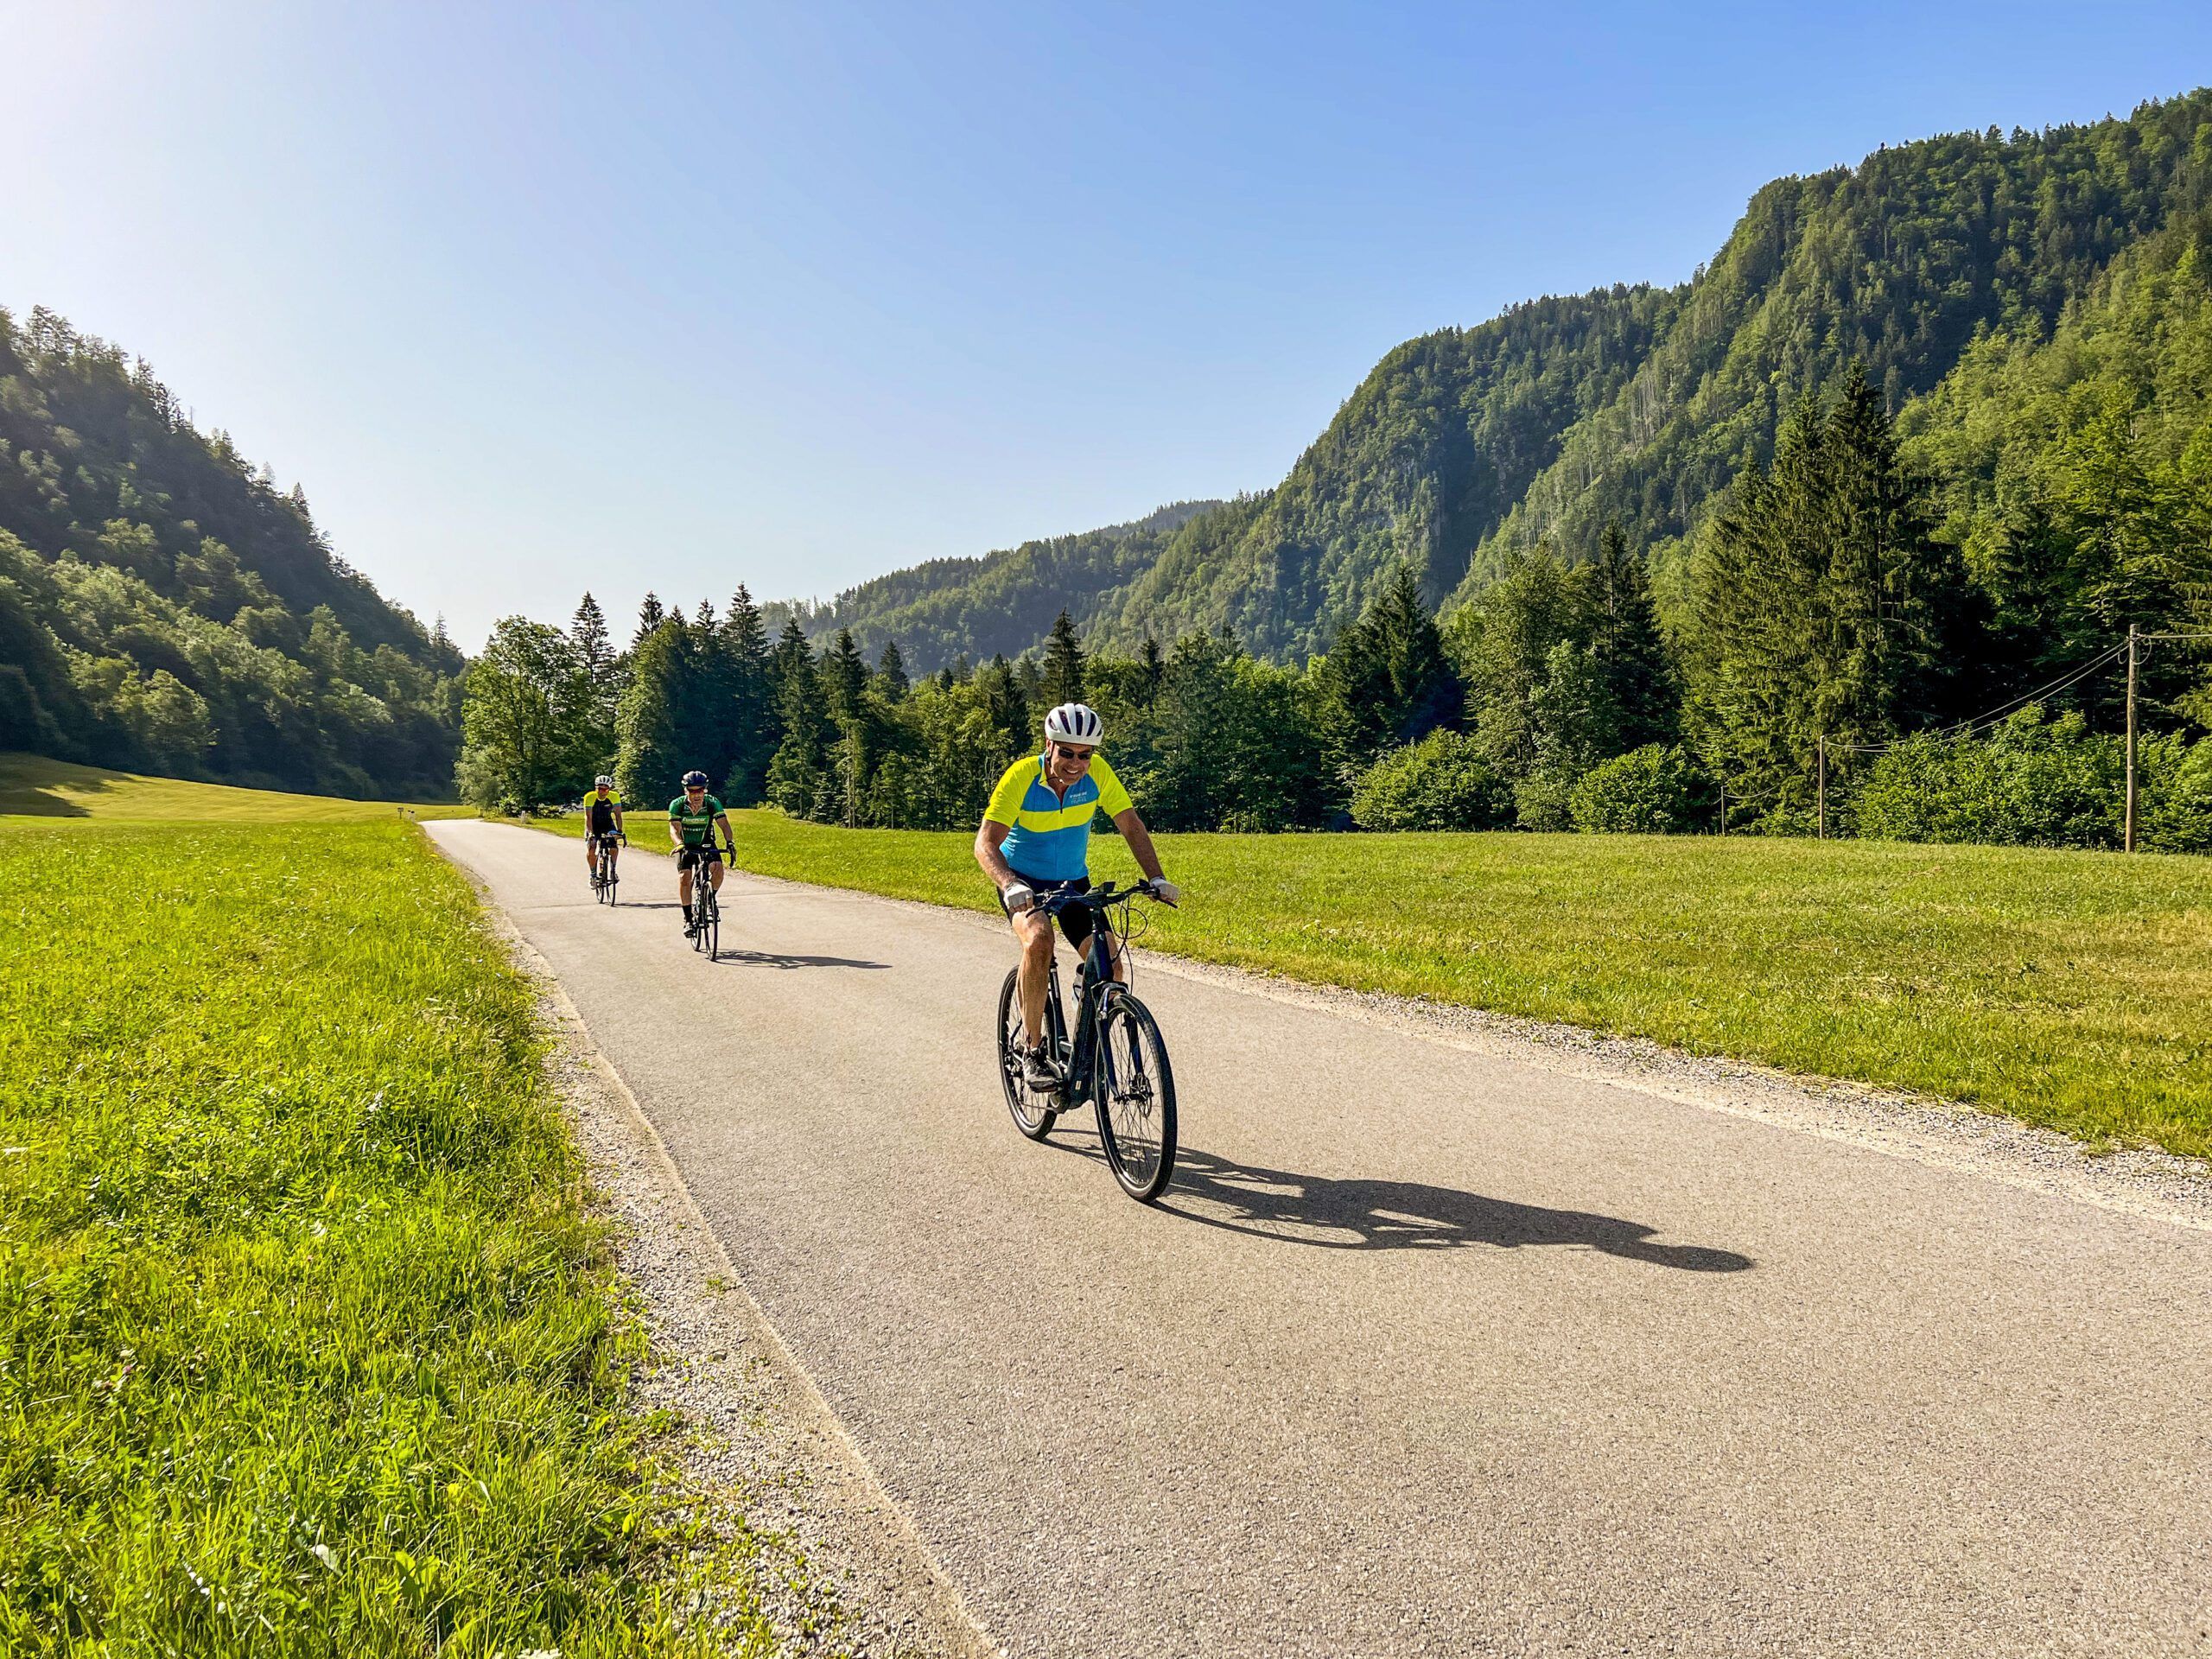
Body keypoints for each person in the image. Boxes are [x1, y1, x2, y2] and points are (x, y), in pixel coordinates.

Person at [974, 702, 1179, 1090]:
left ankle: (1085, 1044)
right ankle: (1033, 1050)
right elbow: (985, 844)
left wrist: (1155, 877)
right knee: (1039, 941)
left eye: (1085, 755)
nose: (1076, 763)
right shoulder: (1021, 777)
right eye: (1066, 752)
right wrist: (1009, 884)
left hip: (1071, 882)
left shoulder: (1097, 775)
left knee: (1110, 966)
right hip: (1022, 883)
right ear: (1048, 745)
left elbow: (1130, 825)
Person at [669, 770, 734, 936]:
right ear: (686, 790)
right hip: (685, 845)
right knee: (685, 878)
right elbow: (674, 829)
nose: (697, 794)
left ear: (705, 789)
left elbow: (724, 825)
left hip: (706, 842)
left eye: (700, 790)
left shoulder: (712, 803)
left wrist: (730, 842)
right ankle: (689, 919)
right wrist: (679, 844)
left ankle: (709, 899)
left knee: (718, 869)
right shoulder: (677, 804)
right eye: (692, 790)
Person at [583, 775, 625, 884]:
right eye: (599, 789)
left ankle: (613, 870)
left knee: (614, 846)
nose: (602, 791)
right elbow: (588, 817)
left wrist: (619, 831)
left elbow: (618, 815)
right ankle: (593, 875)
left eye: (605, 789)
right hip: (593, 824)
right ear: (596, 788)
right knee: (592, 848)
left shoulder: (614, 796)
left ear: (609, 789)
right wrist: (591, 833)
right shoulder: (589, 797)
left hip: (607, 823)